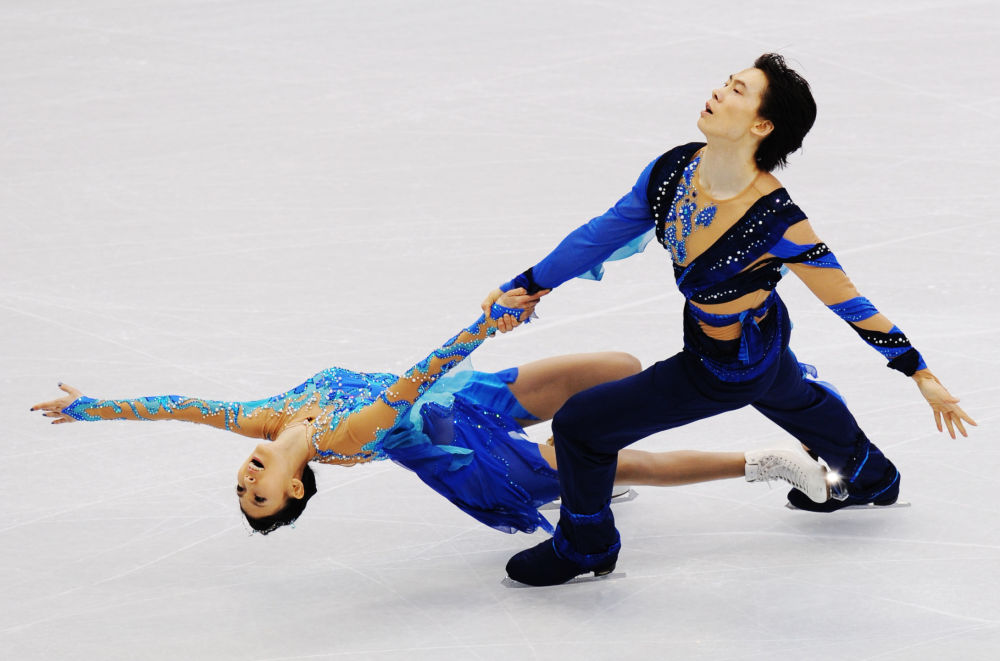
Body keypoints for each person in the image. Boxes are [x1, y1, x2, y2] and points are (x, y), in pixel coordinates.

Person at [482, 53, 977, 586]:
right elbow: (599, 234)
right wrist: (527, 285)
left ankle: (585, 545)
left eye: (738, 90)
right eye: (726, 82)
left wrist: (918, 371)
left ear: (762, 125)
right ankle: (871, 476)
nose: (719, 91)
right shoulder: (673, 170)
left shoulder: (778, 221)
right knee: (791, 394)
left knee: (581, 425)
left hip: (725, 367)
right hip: (756, 338)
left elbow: (848, 301)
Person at [31, 293, 833, 536]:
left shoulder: (261, 421)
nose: (248, 482)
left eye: (242, 489)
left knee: (617, 370)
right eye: (262, 495)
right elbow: (417, 376)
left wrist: (89, 407)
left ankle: (594, 470)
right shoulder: (346, 435)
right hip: (467, 454)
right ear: (298, 488)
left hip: (467, 400)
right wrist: (485, 324)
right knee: (627, 460)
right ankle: (770, 462)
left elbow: (178, 406)